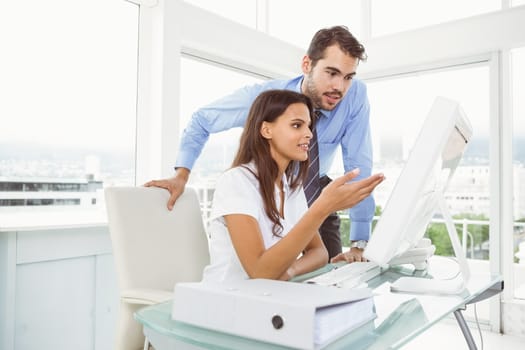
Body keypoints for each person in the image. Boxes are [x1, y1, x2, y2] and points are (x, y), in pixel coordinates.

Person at [146, 25, 373, 261]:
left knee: (330, 278)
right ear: (307, 65)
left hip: (314, 192)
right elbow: (202, 120)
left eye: (348, 77)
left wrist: (359, 242)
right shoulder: (267, 100)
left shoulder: (354, 95)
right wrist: (181, 175)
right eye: (331, 73)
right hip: (268, 191)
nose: (340, 87)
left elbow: (358, 167)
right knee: (264, 268)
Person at [200, 90, 384, 282]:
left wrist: (289, 271)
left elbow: (319, 252)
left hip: (268, 295)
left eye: (309, 126)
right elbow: (260, 272)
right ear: (266, 130)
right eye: (297, 125)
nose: (308, 134)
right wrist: (323, 207)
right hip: (227, 299)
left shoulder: (291, 187)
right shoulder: (237, 181)